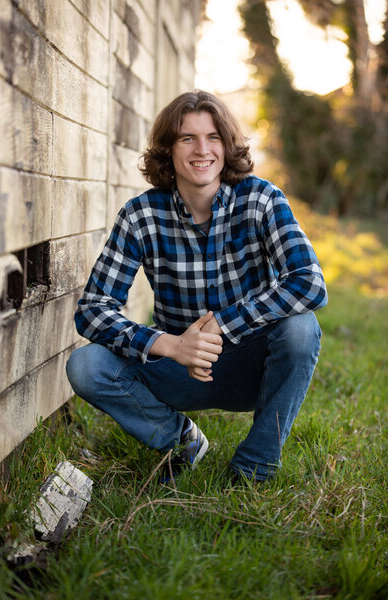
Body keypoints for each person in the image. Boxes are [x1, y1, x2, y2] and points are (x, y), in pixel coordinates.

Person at [66, 90, 327, 483]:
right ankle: (181, 441)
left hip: (251, 367)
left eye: (213, 137)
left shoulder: (262, 199)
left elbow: (309, 283)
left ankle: (254, 467)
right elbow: (92, 309)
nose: (201, 150)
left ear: (227, 145)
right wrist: (171, 345)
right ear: (168, 149)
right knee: (85, 366)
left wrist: (219, 326)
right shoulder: (141, 215)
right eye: (187, 138)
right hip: (177, 370)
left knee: (301, 328)